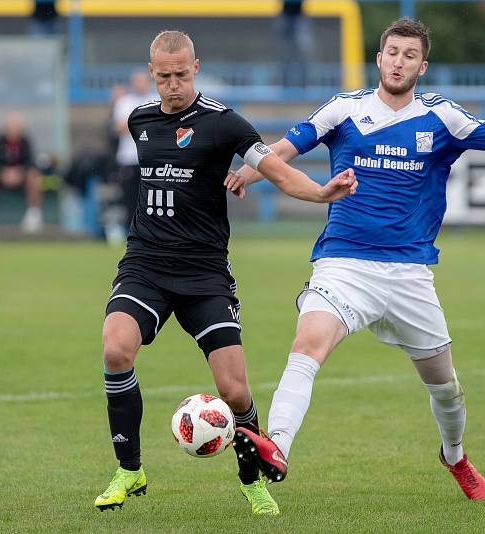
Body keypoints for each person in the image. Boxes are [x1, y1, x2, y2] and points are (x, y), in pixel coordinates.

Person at [226, 17, 485, 502]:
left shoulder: (443, 117)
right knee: (307, 345)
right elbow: (283, 151)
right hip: (344, 264)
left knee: (446, 388)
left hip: (410, 275)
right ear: (378, 58)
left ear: (422, 65)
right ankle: (278, 447)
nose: (399, 62)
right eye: (392, 52)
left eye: (409, 55)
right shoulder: (344, 109)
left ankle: (454, 455)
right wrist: (252, 172)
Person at [93, 30, 356, 516]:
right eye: (164, 76)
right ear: (151, 73)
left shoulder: (225, 123)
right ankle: (130, 470)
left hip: (205, 272)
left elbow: (274, 168)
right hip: (145, 265)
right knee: (115, 348)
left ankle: (251, 480)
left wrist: (319, 193)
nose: (173, 84)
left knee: (234, 390)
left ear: (196, 67)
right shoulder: (139, 120)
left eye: (181, 74)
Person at [106, 71, 156, 243]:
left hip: (152, 159)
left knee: (151, 198)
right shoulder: (124, 102)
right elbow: (119, 126)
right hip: (129, 159)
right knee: (130, 198)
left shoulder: (156, 100)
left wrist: (134, 124)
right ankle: (132, 234)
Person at [0, 113, 43, 233]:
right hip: (1, 178)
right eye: (11, 127)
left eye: (17, 127)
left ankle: (33, 215)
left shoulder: (26, 142)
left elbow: (31, 162)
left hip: (21, 178)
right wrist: (3, 172)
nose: (14, 130)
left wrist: (19, 172)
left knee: (34, 176)